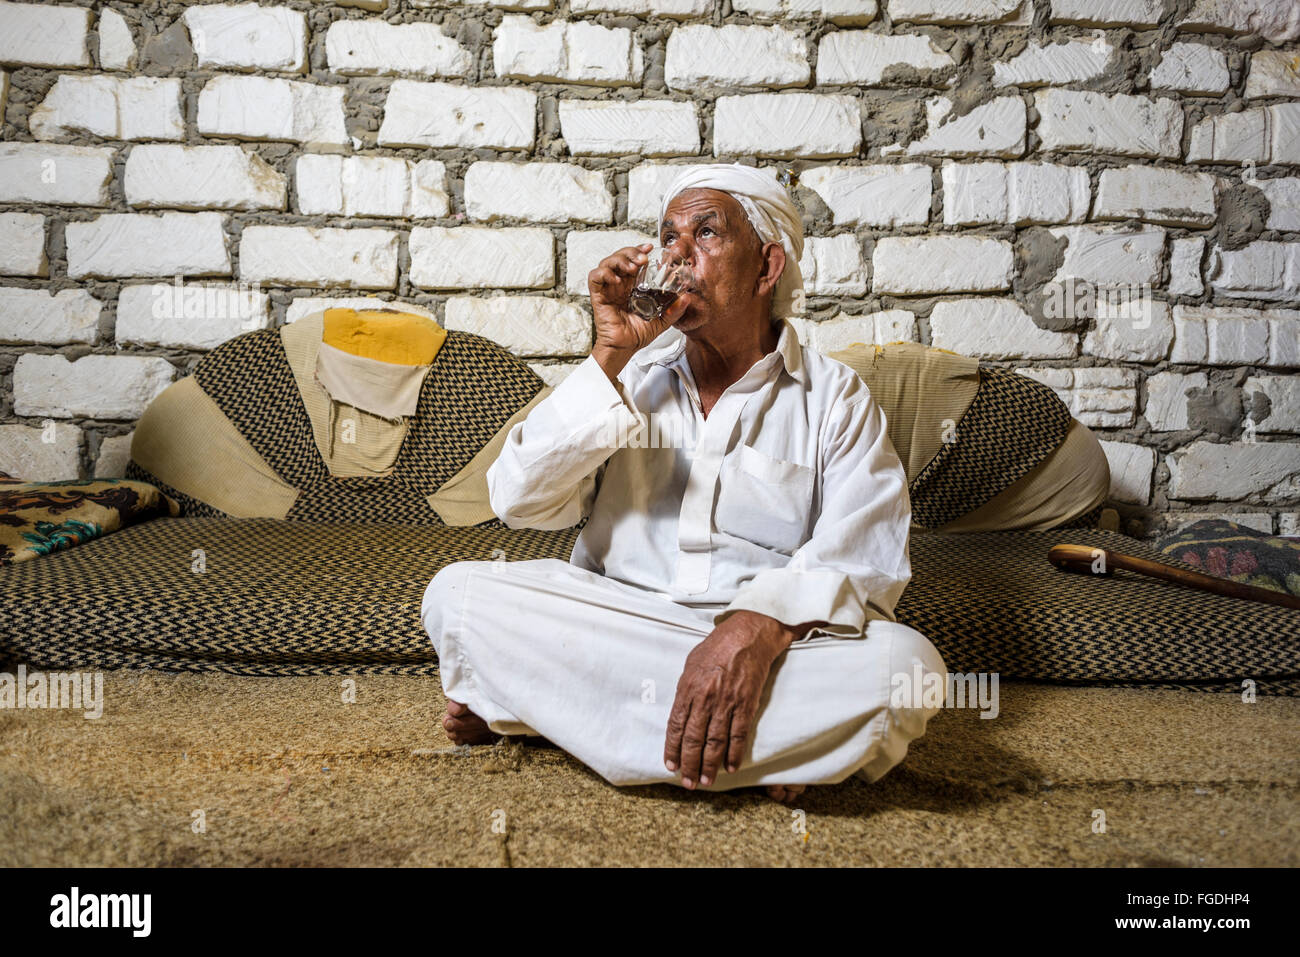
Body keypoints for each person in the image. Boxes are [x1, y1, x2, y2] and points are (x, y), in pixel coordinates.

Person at [421, 162, 947, 804]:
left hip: (762, 650)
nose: (679, 254)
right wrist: (610, 356)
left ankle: (542, 713)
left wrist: (754, 629)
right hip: (622, 621)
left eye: (706, 233)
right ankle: (763, 745)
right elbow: (518, 501)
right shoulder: (631, 378)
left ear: (767, 266)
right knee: (460, 595)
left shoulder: (837, 399)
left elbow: (867, 563)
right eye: (669, 237)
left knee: (906, 669)